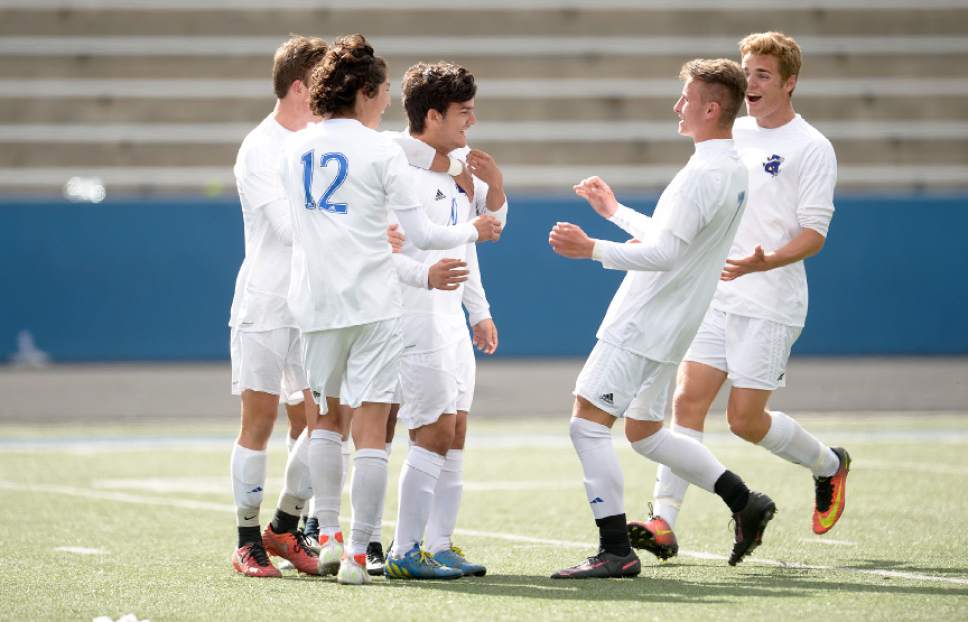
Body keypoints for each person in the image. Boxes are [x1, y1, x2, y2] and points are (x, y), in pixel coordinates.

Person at [280, 34, 502, 586]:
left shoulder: (294, 147)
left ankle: (328, 537)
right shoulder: (380, 149)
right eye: (381, 93)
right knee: (373, 431)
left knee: (326, 423)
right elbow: (424, 233)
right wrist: (470, 227)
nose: (386, 103)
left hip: (314, 303)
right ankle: (359, 555)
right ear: (364, 93)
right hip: (377, 302)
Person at [548, 58, 774, 579]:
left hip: (644, 321)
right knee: (646, 433)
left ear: (711, 107)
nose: (678, 106)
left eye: (686, 99)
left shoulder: (703, 173)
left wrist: (592, 248)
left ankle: (614, 550)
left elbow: (666, 254)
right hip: (673, 326)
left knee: (586, 424)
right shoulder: (730, 168)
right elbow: (675, 239)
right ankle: (745, 500)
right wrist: (616, 213)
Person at [635, 32, 848, 562]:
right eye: (747, 71)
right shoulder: (734, 136)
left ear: (789, 83)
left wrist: (764, 260)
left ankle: (829, 465)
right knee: (686, 402)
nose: (750, 83)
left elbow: (815, 234)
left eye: (763, 75)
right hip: (716, 292)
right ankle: (664, 520)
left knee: (746, 422)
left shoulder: (812, 147)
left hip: (771, 298)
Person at [381, 61, 507, 581]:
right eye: (463, 112)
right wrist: (425, 278)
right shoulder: (395, 167)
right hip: (412, 317)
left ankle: (440, 544)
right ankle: (404, 549)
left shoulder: (456, 166)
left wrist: (479, 310)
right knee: (431, 432)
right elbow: (383, 251)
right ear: (431, 115)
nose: (471, 122)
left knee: (455, 433)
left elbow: (483, 232)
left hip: (449, 319)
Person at [227, 35, 328, 579]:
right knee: (259, 420)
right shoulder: (259, 148)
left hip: (313, 303)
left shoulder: (321, 140)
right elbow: (289, 228)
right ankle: (247, 541)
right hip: (266, 300)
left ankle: (287, 527)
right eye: (322, 80)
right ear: (298, 85)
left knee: (323, 418)